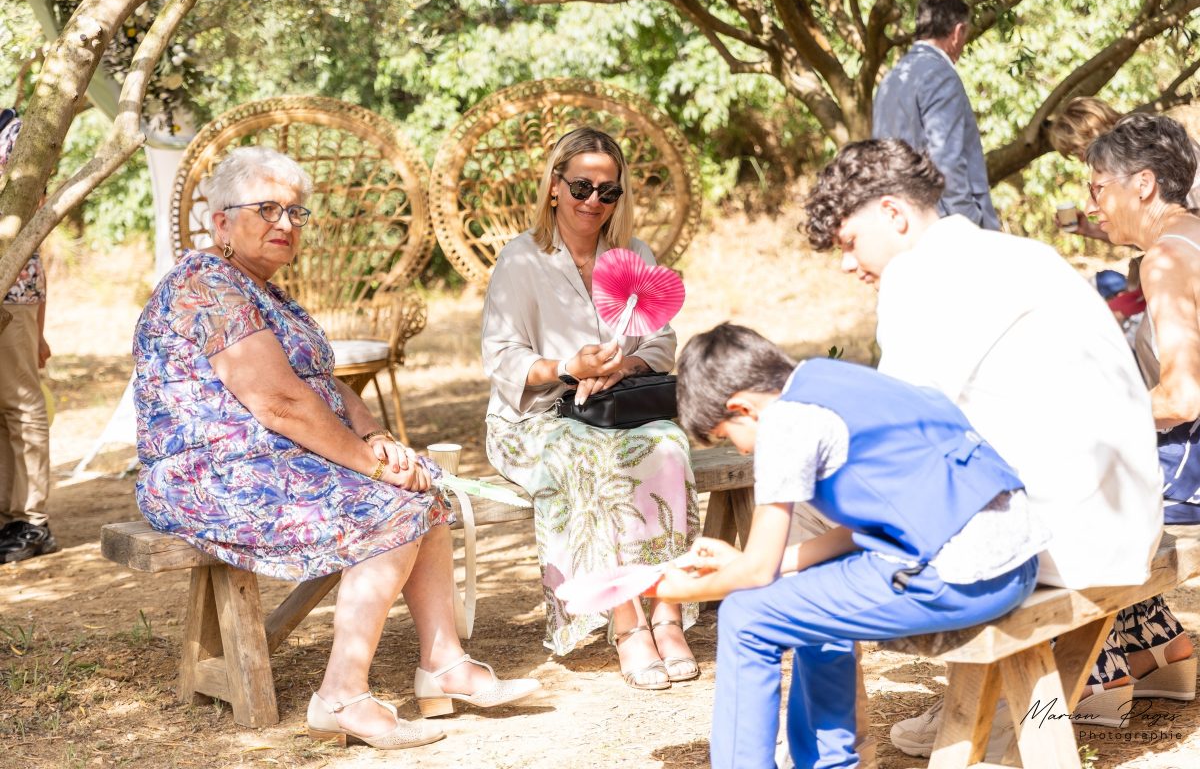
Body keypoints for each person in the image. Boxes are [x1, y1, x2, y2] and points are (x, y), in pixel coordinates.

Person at [134, 147, 538, 750]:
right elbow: (280, 402)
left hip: (276, 460)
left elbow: (328, 387)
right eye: (267, 209)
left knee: (423, 490)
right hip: (209, 473)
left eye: (295, 212)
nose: (285, 223)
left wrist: (377, 439)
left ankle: (444, 663)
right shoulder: (206, 287)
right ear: (221, 222)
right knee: (392, 508)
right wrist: (370, 466)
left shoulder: (267, 293)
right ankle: (341, 696)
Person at [803, 138, 1171, 754]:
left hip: (1054, 543)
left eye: (849, 242)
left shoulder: (918, 277)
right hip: (1126, 524)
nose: (846, 264)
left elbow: (897, 443)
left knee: (803, 510)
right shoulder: (1017, 253)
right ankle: (976, 703)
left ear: (893, 213)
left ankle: (834, 747)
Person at [656, 323, 1042, 769]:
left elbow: (756, 574)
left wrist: (668, 590)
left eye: (727, 436)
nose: (742, 452)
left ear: (742, 407)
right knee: (811, 597)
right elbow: (845, 536)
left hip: (964, 575)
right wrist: (753, 563)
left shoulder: (786, 421)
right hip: (1011, 558)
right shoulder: (835, 380)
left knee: (746, 617)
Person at [481, 127, 700, 690]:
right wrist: (568, 367)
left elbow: (661, 341)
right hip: (535, 419)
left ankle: (668, 615)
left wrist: (624, 366)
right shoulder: (521, 259)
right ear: (555, 186)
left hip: (616, 410)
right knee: (590, 459)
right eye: (581, 186)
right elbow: (502, 360)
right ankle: (628, 625)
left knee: (668, 446)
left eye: (609, 191)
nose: (593, 201)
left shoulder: (633, 255)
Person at [1079, 112, 1200, 703]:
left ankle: (1073, 687)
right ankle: (1157, 648)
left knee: (1048, 499)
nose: (1092, 205)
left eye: (1099, 186)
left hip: (1190, 480)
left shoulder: (1165, 260)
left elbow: (1182, 396)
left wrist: (1084, 415)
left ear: (1144, 184)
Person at [872, 0, 999, 230]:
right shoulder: (940, 74)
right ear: (958, 31)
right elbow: (946, 160)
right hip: (942, 223)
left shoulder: (892, 77)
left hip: (899, 220)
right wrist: (969, 222)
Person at [0, 110, 57, 564]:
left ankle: (32, 521)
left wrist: (38, 327)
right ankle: (10, 516)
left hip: (13, 292)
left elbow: (34, 211)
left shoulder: (18, 134)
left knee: (21, 405)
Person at [1047, 97, 1200, 240]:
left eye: (1077, 150)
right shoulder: (1122, 168)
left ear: (1092, 133)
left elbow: (1190, 222)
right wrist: (1089, 229)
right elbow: (1142, 235)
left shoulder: (1159, 145)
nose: (1081, 160)